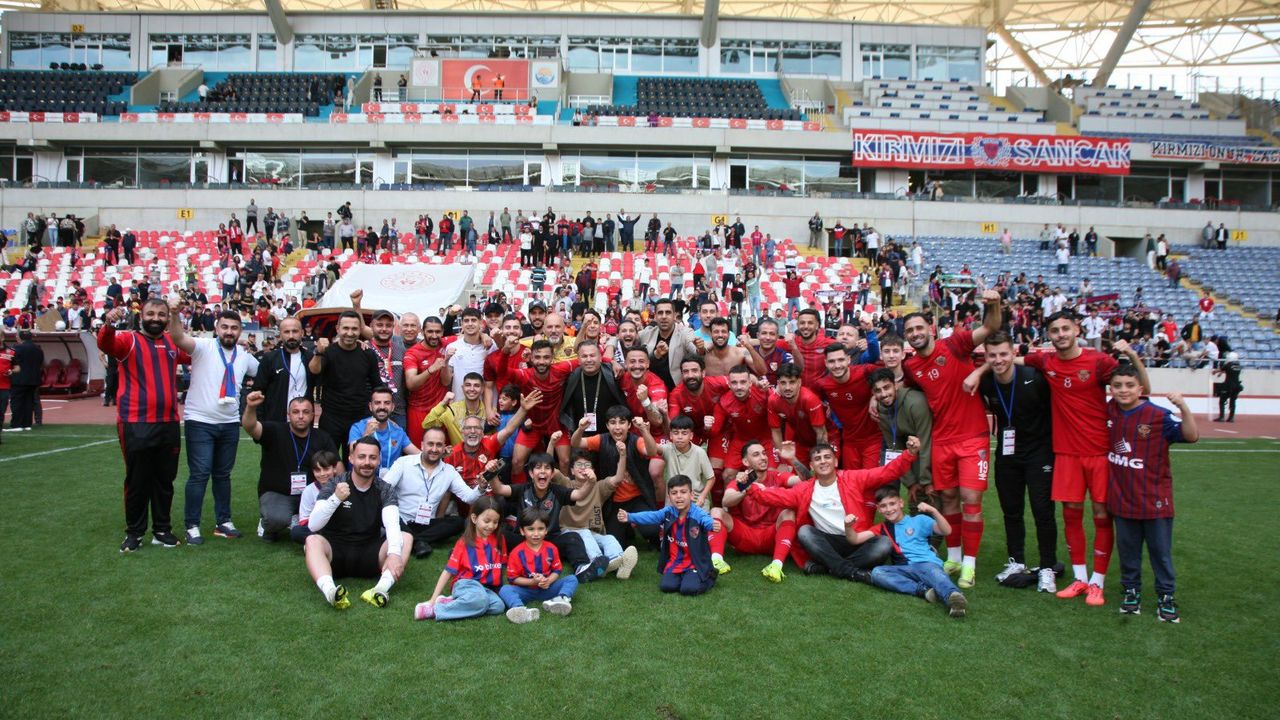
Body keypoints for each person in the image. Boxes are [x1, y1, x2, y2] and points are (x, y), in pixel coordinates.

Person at [1018, 313, 1148, 606]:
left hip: (1099, 452)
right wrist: (983, 367)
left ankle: (1097, 582)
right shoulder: (1046, 361)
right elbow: (1010, 360)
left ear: (1076, 329)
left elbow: (1143, 388)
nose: (1061, 334)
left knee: (1102, 515)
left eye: (1066, 328)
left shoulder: (1099, 362)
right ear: (1049, 335)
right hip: (1066, 454)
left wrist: (1131, 354)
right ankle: (1079, 578)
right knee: (1071, 514)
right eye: (1055, 330)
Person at [899, 293, 1001, 589]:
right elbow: (903, 388)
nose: (915, 333)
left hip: (972, 436)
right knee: (950, 499)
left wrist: (993, 304)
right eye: (910, 331)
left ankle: (970, 564)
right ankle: (954, 557)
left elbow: (991, 327)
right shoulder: (911, 366)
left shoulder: (955, 344)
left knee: (972, 500)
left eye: (919, 328)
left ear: (931, 328)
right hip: (942, 440)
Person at [746, 440, 919, 579]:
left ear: (835, 461)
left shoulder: (852, 478)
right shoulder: (804, 489)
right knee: (805, 532)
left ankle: (829, 567)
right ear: (812, 466)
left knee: (884, 544)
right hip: (828, 542)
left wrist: (909, 454)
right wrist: (747, 485)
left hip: (856, 540)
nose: (823, 461)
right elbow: (772, 496)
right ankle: (851, 571)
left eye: (827, 457)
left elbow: (886, 472)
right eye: (818, 459)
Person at [98, 300, 191, 551]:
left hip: (169, 422)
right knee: (138, 480)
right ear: (142, 316)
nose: (156, 318)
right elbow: (105, 344)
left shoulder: (172, 342)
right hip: (135, 422)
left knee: (164, 480)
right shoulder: (128, 340)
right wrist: (108, 324)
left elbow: (193, 352)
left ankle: (162, 530)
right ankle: (135, 533)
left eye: (161, 314)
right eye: (151, 313)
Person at [1107, 371, 1198, 622]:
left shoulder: (1157, 415)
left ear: (1140, 389)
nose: (1123, 390)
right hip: (1122, 499)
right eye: (1117, 385)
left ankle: (1166, 596)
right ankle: (1131, 591)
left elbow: (1191, 436)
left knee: (1160, 553)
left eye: (1129, 385)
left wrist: (1183, 407)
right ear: (1111, 390)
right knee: (1128, 551)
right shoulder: (1110, 411)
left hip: (1155, 501)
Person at [166, 308, 259, 544]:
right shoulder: (203, 346)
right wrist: (174, 314)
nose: (229, 332)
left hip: (229, 423)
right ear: (216, 328)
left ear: (240, 331)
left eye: (234, 328)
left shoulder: (244, 355)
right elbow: (177, 337)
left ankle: (223, 521)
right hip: (200, 421)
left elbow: (264, 372)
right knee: (199, 474)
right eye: (225, 327)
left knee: (223, 475)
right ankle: (192, 525)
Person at [974, 333, 1058, 591]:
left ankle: (1048, 567)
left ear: (1013, 353)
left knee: (1042, 511)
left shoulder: (1034, 377)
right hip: (1007, 454)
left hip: (1039, 453)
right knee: (1011, 510)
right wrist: (979, 372)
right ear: (986, 357)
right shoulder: (987, 382)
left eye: (1003, 354)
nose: (998, 360)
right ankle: (1016, 561)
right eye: (992, 355)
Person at [305, 436, 411, 609]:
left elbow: (392, 523)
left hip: (369, 554)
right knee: (312, 540)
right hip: (335, 554)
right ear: (351, 458)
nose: (367, 462)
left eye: (372, 457)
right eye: (362, 457)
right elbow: (313, 525)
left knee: (405, 538)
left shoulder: (385, 488)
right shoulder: (335, 483)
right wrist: (335, 499)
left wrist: (394, 553)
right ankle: (331, 592)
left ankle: (379, 590)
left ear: (379, 460)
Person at [857, 487, 968, 618]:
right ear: (879, 509)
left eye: (892, 504)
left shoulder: (919, 520)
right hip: (905, 569)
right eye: (883, 506)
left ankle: (954, 598)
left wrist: (933, 511)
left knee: (935, 574)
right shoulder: (882, 528)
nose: (889, 509)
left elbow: (947, 531)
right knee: (878, 572)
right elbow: (855, 539)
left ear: (901, 503)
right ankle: (924, 591)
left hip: (926, 563)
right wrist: (848, 526)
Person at [241, 391, 337, 542]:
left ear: (313, 415)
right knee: (276, 518)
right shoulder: (274, 430)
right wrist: (251, 407)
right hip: (278, 493)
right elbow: (250, 427)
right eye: (295, 412)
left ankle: (297, 519)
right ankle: (269, 525)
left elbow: (337, 466)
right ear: (288, 415)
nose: (301, 416)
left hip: (312, 492)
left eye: (306, 412)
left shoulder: (322, 437)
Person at [709, 440, 804, 582]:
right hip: (745, 536)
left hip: (771, 537)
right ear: (745, 462)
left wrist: (792, 459)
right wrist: (747, 489)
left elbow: (805, 480)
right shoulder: (741, 480)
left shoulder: (777, 476)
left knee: (789, 512)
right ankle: (716, 561)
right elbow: (726, 501)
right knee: (716, 511)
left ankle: (776, 566)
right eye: (756, 455)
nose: (763, 457)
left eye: (764, 453)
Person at [617, 476, 718, 596]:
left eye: (683, 492)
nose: (679, 496)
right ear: (669, 497)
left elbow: (706, 520)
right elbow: (651, 516)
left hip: (694, 563)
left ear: (691, 495)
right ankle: (685, 577)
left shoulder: (697, 513)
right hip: (676, 562)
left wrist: (712, 524)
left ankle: (710, 576)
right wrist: (629, 516)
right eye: (674, 493)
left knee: (688, 589)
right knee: (666, 586)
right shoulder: (668, 512)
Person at [414, 496, 508, 621]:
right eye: (487, 521)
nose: (491, 526)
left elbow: (503, 566)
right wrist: (432, 599)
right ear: (474, 518)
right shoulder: (464, 543)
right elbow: (448, 571)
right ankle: (434, 610)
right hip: (466, 584)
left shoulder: (500, 540)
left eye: (495, 522)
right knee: (480, 600)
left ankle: (456, 602)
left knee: (498, 606)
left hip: (485, 589)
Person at [309, 310, 382, 462]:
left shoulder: (367, 354)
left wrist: (379, 412)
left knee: (357, 462)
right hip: (332, 417)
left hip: (359, 418)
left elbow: (377, 385)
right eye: (346, 328)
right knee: (327, 461)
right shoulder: (328, 352)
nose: (350, 333)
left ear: (360, 330)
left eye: (354, 329)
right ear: (338, 329)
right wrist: (318, 352)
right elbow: (314, 370)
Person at [497, 508, 580, 622]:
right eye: (531, 529)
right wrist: (533, 582)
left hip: (547, 589)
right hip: (526, 591)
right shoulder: (516, 553)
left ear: (546, 530)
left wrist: (548, 581)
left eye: (540, 529)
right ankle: (519, 609)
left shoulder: (551, 548)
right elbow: (513, 578)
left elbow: (557, 571)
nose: (536, 534)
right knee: (505, 589)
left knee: (572, 579)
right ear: (522, 531)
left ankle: (559, 600)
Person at [869, 368, 933, 510]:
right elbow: (895, 448)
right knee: (916, 502)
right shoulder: (880, 411)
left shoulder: (915, 403)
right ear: (873, 393)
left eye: (887, 387)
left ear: (896, 385)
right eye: (878, 390)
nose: (884, 394)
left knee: (934, 501)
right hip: (913, 450)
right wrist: (911, 483)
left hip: (934, 449)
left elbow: (926, 442)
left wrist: (927, 481)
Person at [346, 386, 419, 477]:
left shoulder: (398, 431)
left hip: (389, 481)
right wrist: (367, 434)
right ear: (370, 406)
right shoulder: (358, 427)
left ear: (392, 407)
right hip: (362, 478)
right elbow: (353, 453)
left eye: (387, 403)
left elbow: (418, 455)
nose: (382, 407)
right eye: (377, 403)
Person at [659, 416, 716, 510]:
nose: (680, 437)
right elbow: (652, 449)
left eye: (684, 433)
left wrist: (702, 497)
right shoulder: (667, 449)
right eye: (676, 433)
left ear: (691, 436)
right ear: (671, 435)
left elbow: (711, 478)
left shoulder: (700, 452)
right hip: (674, 501)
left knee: (704, 518)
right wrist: (645, 431)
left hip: (696, 500)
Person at [8, 330, 42, 431]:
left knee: (17, 402)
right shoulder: (38, 349)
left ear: (19, 338)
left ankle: (16, 424)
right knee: (29, 402)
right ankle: (27, 424)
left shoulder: (17, 348)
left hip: (19, 379)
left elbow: (11, 361)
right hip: (34, 379)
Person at [1213, 352, 1243, 422]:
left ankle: (1222, 417)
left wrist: (1215, 371)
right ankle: (1231, 417)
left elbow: (1221, 369)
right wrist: (1221, 372)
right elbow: (1229, 371)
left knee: (1222, 400)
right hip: (1237, 385)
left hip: (1228, 385)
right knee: (1233, 401)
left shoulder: (1228, 364)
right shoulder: (1239, 366)